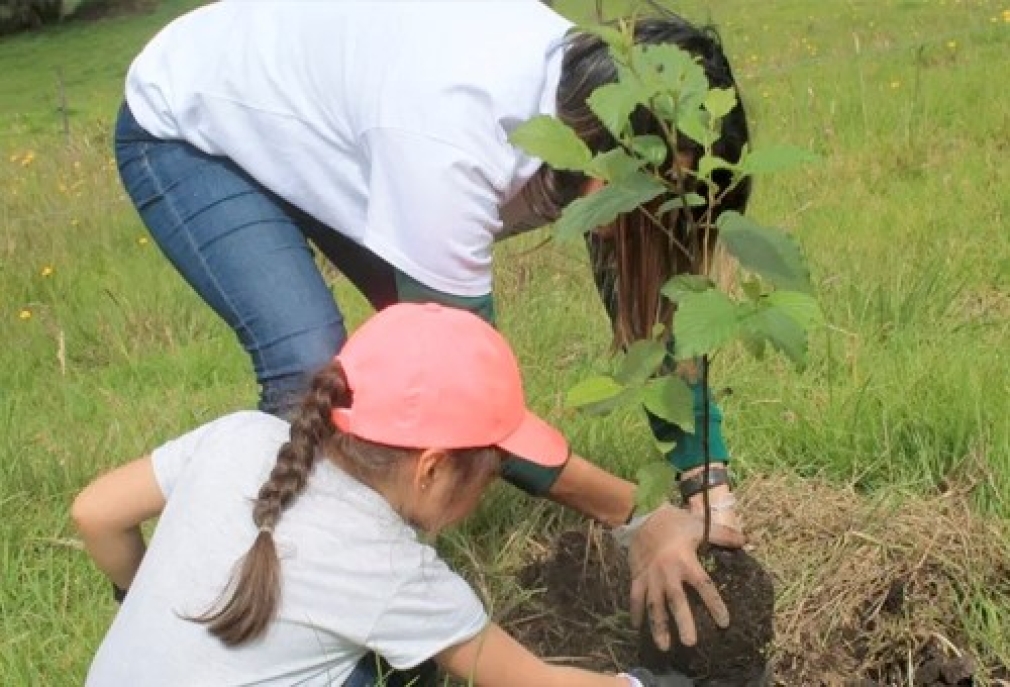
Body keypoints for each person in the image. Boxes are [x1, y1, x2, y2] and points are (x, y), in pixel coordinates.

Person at [112, 1, 751, 652]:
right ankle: (270, 620)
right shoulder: (454, 142)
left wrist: (707, 481)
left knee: (407, 386)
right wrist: (634, 514)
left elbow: (652, 305)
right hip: (194, 122)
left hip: (336, 117)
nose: (638, 220)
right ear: (602, 152)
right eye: (641, 197)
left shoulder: (599, 106)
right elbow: (465, 405)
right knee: (310, 368)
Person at [73, 303, 698, 687]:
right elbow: (530, 681)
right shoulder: (393, 573)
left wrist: (140, 603)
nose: (486, 490)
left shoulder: (240, 434)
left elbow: (94, 514)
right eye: (490, 469)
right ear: (430, 468)